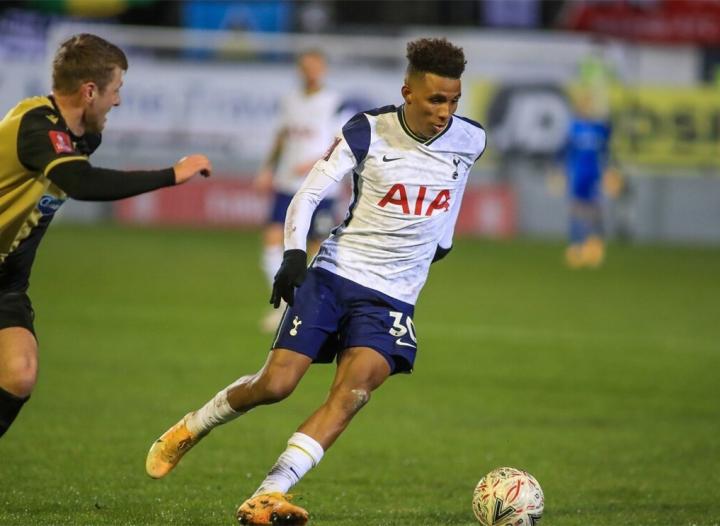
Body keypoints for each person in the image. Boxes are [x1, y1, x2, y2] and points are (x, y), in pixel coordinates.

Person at [146, 37, 486, 526]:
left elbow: (456, 187)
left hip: (393, 297)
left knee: (354, 392)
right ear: (408, 91)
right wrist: (292, 256)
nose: (445, 112)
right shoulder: (368, 131)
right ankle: (194, 425)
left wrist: (444, 239)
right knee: (276, 384)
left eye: (453, 101)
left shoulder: (470, 139)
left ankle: (269, 493)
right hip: (335, 276)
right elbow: (306, 195)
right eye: (436, 100)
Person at [0, 33, 212, 439]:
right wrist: (172, 175)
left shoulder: (84, 137)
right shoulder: (36, 125)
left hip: (7, 281)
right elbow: (80, 182)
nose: (118, 101)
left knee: (19, 373)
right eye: (116, 89)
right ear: (90, 91)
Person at [254, 49, 344, 332]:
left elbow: (340, 141)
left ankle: (310, 306)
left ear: (324, 69)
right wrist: (267, 168)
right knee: (272, 239)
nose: (311, 72)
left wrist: (314, 161)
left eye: (315, 66)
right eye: (306, 67)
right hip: (287, 184)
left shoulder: (335, 102)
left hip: (320, 187)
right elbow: (281, 136)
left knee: (317, 248)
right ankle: (284, 303)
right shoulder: (290, 100)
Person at [562, 91, 616, 269]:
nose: (586, 108)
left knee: (595, 213)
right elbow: (565, 151)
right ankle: (576, 249)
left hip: (594, 176)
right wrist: (561, 172)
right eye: (584, 105)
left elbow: (607, 146)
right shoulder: (573, 127)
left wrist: (609, 171)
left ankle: (594, 250)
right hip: (578, 175)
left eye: (589, 105)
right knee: (576, 212)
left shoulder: (599, 128)